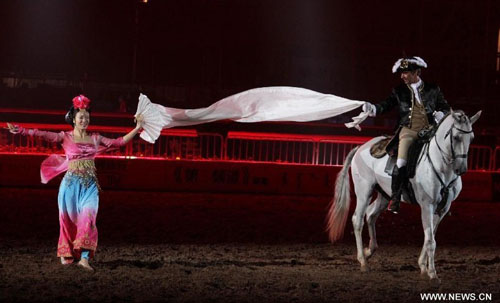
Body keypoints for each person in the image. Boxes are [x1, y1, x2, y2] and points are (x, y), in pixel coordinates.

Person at [6, 95, 144, 271]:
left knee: (89, 219)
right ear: (73, 119)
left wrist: (138, 128)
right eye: (81, 117)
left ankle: (85, 258)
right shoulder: (65, 137)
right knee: (67, 221)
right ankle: (67, 253)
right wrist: (21, 130)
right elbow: (42, 134)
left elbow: (118, 142)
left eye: (87, 117)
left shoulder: (95, 138)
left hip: (90, 186)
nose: (84, 120)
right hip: (70, 185)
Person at [362, 56, 450, 214]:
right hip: (408, 132)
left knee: (445, 155)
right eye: (401, 73)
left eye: (406, 73)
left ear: (417, 72)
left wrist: (441, 114)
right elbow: (386, 104)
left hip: (430, 131)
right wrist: (373, 109)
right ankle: (395, 198)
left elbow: (445, 107)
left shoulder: (432, 89)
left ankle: (444, 196)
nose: (402, 76)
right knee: (401, 161)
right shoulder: (399, 91)